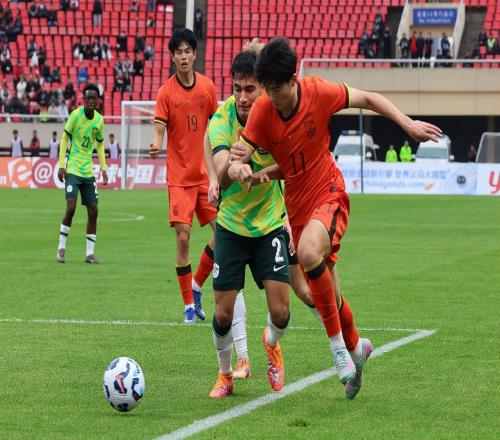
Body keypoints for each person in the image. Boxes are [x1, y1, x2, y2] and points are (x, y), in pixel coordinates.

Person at [228, 37, 441, 398]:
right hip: (298, 207)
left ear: (293, 80)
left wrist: (407, 124)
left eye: (275, 89)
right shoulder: (264, 111)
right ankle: (357, 350)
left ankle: (338, 349)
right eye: (266, 89)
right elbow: (243, 157)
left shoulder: (319, 92)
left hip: (329, 191)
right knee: (328, 294)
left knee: (309, 253)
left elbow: (368, 98)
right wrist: (242, 169)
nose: (270, 97)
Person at [205, 42, 320, 398]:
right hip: (231, 226)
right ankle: (225, 374)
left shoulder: (275, 114)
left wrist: (288, 214)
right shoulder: (221, 120)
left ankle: (271, 343)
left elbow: (293, 166)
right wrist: (233, 169)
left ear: (263, 87)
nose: (242, 97)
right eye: (237, 88)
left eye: (250, 89)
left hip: (269, 224)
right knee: (222, 314)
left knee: (281, 312)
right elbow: (221, 167)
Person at [149, 29, 218, 324]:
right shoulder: (165, 92)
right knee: (183, 238)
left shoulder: (207, 87)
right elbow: (159, 129)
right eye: (179, 52)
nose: (184, 56)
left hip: (206, 176)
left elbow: (217, 125)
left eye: (188, 51)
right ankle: (188, 305)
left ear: (195, 54)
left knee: (224, 234)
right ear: (173, 57)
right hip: (179, 178)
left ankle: (196, 285)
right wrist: (156, 143)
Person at [56, 84, 108, 264]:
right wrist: (61, 165)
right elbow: (64, 138)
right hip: (72, 169)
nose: (91, 101)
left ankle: (89, 254)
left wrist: (103, 168)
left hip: (88, 172)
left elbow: (99, 144)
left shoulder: (99, 120)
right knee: (71, 208)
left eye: (94, 98)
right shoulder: (75, 115)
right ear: (84, 100)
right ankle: (61, 248)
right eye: (88, 98)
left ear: (97, 100)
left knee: (93, 211)